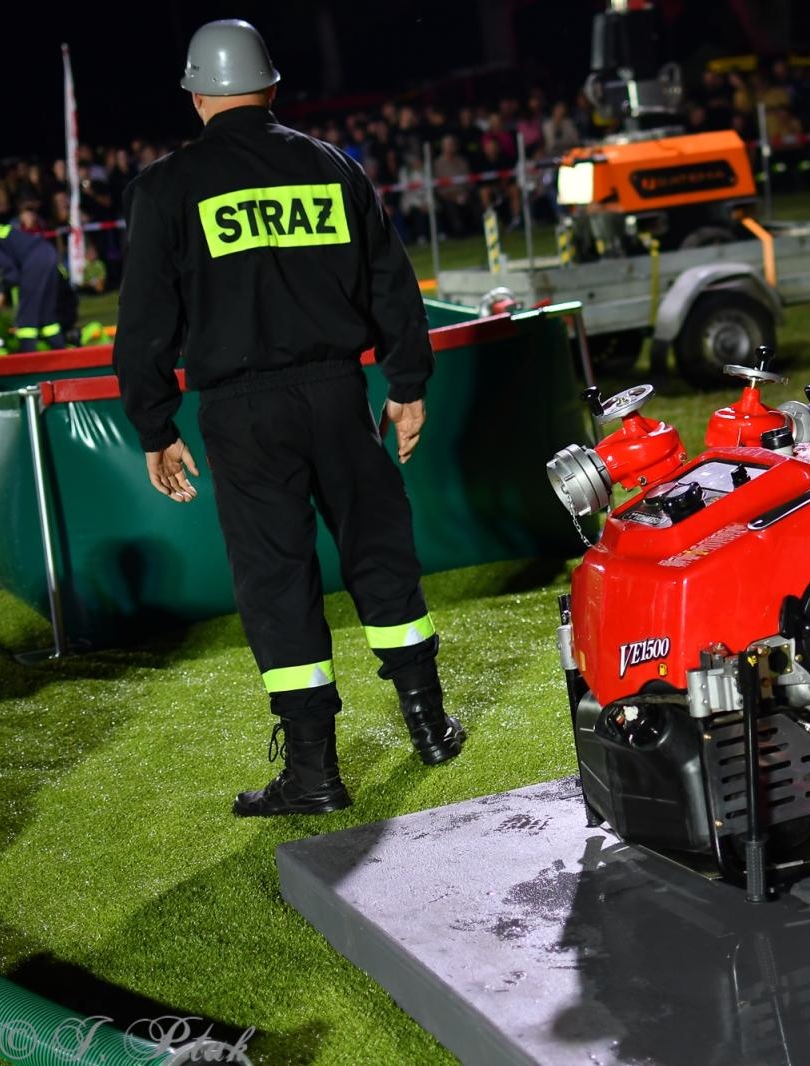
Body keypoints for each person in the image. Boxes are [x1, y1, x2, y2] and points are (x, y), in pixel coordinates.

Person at [112, 19, 464, 818]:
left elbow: (144, 325)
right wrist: (406, 383)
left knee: (277, 581)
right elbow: (390, 282)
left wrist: (155, 426)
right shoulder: (331, 165)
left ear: (198, 96)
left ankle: (314, 773)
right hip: (340, 394)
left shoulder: (166, 188)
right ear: (272, 88)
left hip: (241, 412)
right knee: (379, 553)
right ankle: (430, 723)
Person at [0, 210, 75, 351]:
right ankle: (61, 351)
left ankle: (27, 358)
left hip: (34, 260)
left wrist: (0, 292)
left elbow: (10, 273)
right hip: (47, 252)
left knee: (27, 316)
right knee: (47, 315)